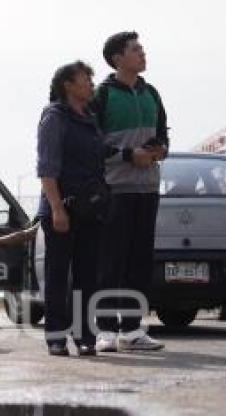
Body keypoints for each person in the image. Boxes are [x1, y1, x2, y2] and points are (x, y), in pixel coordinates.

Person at [92, 31, 168, 352]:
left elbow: (163, 136)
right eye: (136, 50)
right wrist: (127, 155)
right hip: (115, 191)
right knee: (111, 263)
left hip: (147, 190)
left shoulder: (152, 93)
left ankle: (133, 329)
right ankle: (106, 331)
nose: (143, 53)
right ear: (118, 59)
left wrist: (158, 151)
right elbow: (92, 143)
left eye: (141, 49)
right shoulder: (102, 96)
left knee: (139, 262)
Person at [36, 61, 104, 356]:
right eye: (85, 79)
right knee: (58, 273)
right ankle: (56, 336)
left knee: (88, 274)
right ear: (68, 85)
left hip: (91, 207)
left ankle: (85, 334)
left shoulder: (90, 117)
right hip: (61, 207)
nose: (91, 83)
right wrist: (56, 208)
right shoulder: (54, 116)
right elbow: (47, 167)